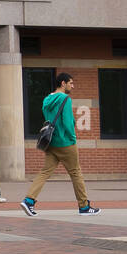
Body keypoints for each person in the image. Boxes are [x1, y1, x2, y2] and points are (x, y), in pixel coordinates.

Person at [21, 73, 100, 217]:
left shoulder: (47, 99)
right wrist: (73, 138)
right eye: (71, 83)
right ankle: (84, 207)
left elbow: (49, 118)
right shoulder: (65, 99)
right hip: (65, 142)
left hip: (50, 142)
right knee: (76, 172)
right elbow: (67, 122)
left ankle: (28, 200)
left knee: (45, 172)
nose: (73, 86)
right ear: (63, 83)